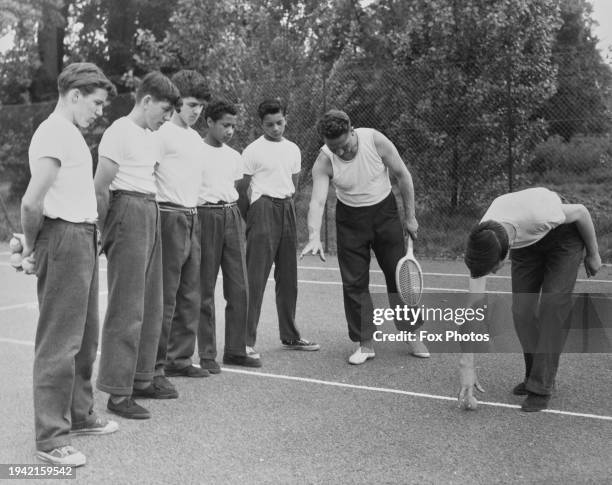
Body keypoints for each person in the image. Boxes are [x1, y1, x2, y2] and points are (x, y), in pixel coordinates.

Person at [21, 62, 118, 466]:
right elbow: (31, 201)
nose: (99, 111)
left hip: (82, 237)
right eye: (95, 103)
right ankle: (50, 439)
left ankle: (79, 414)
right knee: (59, 343)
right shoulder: (53, 132)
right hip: (63, 238)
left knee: (85, 337)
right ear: (74, 95)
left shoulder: (71, 134)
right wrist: (30, 247)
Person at [300, 109, 430, 365]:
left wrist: (410, 217)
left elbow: (403, 175)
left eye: (342, 145)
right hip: (350, 221)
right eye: (332, 147)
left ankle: (412, 333)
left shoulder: (375, 140)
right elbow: (317, 201)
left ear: (352, 130)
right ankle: (365, 342)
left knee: (399, 277)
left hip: (385, 214)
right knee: (354, 283)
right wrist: (314, 235)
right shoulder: (324, 160)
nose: (338, 151)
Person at [459, 187, 602, 412]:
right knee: (521, 311)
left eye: (493, 268)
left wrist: (593, 254)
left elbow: (582, 212)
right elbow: (473, 308)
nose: (493, 273)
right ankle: (534, 376)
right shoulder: (483, 240)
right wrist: (467, 366)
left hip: (562, 236)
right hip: (526, 243)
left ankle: (541, 385)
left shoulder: (542, 214)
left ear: (504, 254)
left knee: (553, 304)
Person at [94, 72, 180, 420]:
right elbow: (100, 186)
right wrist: (104, 230)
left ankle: (142, 378)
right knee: (126, 307)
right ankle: (118, 392)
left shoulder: (149, 135)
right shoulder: (118, 132)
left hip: (150, 208)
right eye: (163, 109)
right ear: (146, 101)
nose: (166, 117)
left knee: (152, 304)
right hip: (127, 210)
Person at [241, 99, 320, 358]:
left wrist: (284, 206)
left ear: (286, 118)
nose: (275, 128)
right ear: (261, 124)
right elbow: (242, 188)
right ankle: (244, 341)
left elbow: (293, 184)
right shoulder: (252, 150)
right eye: (269, 124)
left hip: (286, 210)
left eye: (279, 122)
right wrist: (252, 215)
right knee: (255, 278)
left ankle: (290, 335)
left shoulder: (293, 149)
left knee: (288, 279)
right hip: (261, 210)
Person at [154, 70, 210, 381]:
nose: (197, 112)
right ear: (176, 102)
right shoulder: (161, 134)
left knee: (190, 293)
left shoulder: (194, 139)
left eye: (201, 106)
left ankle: (180, 358)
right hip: (167, 215)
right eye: (191, 105)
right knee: (165, 295)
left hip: (192, 216)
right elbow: (148, 174)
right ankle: (156, 365)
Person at [198, 99, 261, 370]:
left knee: (240, 286)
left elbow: (236, 186)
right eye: (225, 125)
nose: (230, 131)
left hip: (231, 215)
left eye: (234, 126)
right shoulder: (194, 151)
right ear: (210, 122)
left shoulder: (235, 156)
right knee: (204, 288)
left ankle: (235, 349)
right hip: (204, 215)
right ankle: (207, 354)